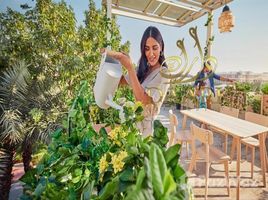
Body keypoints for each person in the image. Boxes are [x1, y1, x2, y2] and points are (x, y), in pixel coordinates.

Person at [101, 26, 170, 137]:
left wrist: (129, 67)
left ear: (161, 47)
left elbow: (143, 100)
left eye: (155, 48)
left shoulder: (164, 73)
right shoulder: (143, 69)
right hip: (135, 127)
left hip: (148, 133)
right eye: (147, 49)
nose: (151, 53)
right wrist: (112, 61)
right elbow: (121, 81)